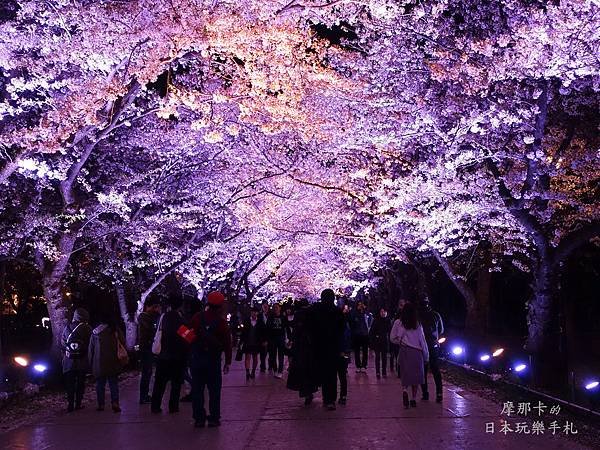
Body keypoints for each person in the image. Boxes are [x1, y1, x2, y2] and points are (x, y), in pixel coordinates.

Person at [190, 291, 232, 428]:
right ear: (220, 305)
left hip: (197, 359)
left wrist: (193, 343)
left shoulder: (197, 317)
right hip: (213, 361)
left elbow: (184, 333)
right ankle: (214, 418)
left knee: (197, 390)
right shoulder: (221, 322)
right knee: (214, 391)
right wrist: (227, 362)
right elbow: (227, 343)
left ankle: (199, 418)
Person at [151, 296, 188, 414]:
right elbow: (188, 337)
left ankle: (155, 406)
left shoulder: (163, 318)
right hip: (177, 356)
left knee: (159, 383)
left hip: (163, 355)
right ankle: (173, 406)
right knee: (176, 383)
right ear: (180, 306)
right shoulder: (180, 320)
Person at [390, 302, 429, 409]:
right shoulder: (417, 324)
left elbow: (392, 338)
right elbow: (422, 341)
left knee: (405, 375)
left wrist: (401, 342)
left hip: (404, 351)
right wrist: (426, 355)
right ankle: (413, 399)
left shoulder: (398, 323)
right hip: (417, 353)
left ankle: (405, 390)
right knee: (416, 378)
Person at [312, 289, 345, 410]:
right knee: (332, 374)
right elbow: (342, 328)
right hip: (334, 347)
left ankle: (326, 398)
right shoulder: (337, 312)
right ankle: (331, 399)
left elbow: (312, 328)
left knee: (325, 373)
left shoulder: (317, 311)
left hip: (320, 346)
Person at [88, 315, 124, 412]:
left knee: (100, 384)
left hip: (99, 363)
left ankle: (101, 404)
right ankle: (115, 402)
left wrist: (90, 363)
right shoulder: (115, 330)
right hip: (113, 361)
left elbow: (91, 350)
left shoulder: (95, 332)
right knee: (113, 383)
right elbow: (123, 342)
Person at [286, 299, 318, 405]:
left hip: (300, 347)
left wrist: (292, 341)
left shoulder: (298, 315)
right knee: (309, 370)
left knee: (301, 371)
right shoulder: (312, 314)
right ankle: (309, 391)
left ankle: (305, 392)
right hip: (310, 347)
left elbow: (295, 330)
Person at [61, 307, 92, 412]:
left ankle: (70, 404)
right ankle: (78, 403)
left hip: (69, 361)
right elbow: (90, 344)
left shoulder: (68, 327)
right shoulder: (87, 328)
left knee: (70, 383)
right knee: (80, 383)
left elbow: (62, 343)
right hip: (81, 361)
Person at [419, 298, 444, 402]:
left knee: (423, 370)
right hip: (433, 344)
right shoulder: (436, 315)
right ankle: (439, 394)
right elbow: (441, 330)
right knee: (435, 369)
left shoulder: (418, 316)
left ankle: (425, 394)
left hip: (421, 345)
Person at [137, 299, 161, 404]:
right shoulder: (144, 317)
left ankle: (145, 395)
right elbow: (151, 330)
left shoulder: (150, 318)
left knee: (148, 372)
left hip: (148, 348)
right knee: (146, 372)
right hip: (146, 348)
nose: (156, 309)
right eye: (155, 307)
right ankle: (143, 396)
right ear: (148, 306)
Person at [240, 306, 266, 380]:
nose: (254, 313)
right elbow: (243, 332)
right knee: (247, 357)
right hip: (248, 342)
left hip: (257, 342)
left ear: (257, 313)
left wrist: (264, 340)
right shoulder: (247, 320)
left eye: (255, 312)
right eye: (253, 312)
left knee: (255, 357)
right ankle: (247, 372)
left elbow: (264, 332)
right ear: (251, 313)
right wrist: (242, 342)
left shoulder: (260, 322)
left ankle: (253, 371)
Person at [350, 301, 372, 373]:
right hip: (357, 334)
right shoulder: (354, 313)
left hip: (365, 334)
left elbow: (370, 320)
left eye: (361, 304)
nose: (360, 306)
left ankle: (364, 365)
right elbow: (352, 322)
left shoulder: (366, 313)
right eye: (359, 305)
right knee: (357, 351)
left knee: (365, 351)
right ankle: (358, 366)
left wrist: (365, 310)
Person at [369, 307, 392, 378]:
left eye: (384, 312)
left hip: (384, 341)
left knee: (384, 357)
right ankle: (378, 372)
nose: (383, 313)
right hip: (377, 342)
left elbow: (390, 331)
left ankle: (384, 372)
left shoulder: (388, 321)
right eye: (382, 312)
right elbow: (371, 332)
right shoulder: (376, 321)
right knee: (378, 357)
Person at [337, 304, 352, 405]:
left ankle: (334, 396)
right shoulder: (346, 326)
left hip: (337, 353)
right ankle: (343, 395)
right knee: (342, 376)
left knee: (336, 375)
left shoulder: (335, 327)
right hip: (344, 353)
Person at [267, 303, 286, 378]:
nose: (276, 309)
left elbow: (286, 327)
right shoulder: (270, 317)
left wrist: (287, 339)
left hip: (281, 338)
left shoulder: (283, 317)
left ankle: (280, 371)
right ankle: (275, 369)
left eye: (277, 307)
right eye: (274, 307)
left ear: (280, 308)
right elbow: (268, 328)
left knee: (281, 355)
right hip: (272, 338)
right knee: (273, 355)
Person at [258, 300, 270, 372]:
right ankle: (263, 366)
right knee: (263, 353)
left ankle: (271, 365)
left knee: (271, 353)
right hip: (262, 337)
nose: (265, 307)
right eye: (263, 305)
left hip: (270, 336)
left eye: (266, 305)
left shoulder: (271, 315)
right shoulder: (259, 316)